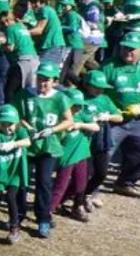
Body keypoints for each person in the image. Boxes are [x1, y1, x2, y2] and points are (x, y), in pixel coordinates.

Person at [10, 62, 73, 238]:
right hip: (28, 144)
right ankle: (18, 214)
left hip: (48, 146)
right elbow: (16, 116)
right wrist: (27, 126)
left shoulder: (60, 98)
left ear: (54, 81)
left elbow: (69, 121)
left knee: (44, 182)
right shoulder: (25, 95)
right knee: (21, 181)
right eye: (40, 79)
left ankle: (43, 218)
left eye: (47, 80)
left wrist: (52, 130)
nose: (42, 83)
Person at [100, 32, 140, 198]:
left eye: (132, 49)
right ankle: (88, 190)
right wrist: (110, 111)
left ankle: (125, 183)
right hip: (113, 121)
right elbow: (96, 93)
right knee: (104, 155)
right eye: (125, 47)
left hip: (137, 121)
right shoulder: (108, 66)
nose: (127, 51)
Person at [0, 104, 30, 244]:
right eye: (4, 124)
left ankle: (14, 227)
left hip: (15, 172)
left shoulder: (20, 132)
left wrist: (13, 144)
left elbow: (27, 142)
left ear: (17, 123)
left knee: (10, 197)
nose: (8, 127)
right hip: (0, 173)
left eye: (11, 124)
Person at [51, 88, 100, 222]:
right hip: (66, 156)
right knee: (60, 184)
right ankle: (48, 210)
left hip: (82, 154)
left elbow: (96, 127)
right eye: (75, 105)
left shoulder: (81, 115)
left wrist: (79, 125)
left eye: (80, 105)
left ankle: (58, 203)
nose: (78, 108)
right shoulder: (59, 116)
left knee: (80, 185)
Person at [80, 70, 123, 209]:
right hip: (84, 141)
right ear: (87, 85)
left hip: (101, 140)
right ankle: (79, 201)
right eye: (95, 86)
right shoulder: (80, 97)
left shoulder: (105, 99)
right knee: (85, 173)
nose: (99, 90)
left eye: (101, 87)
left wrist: (108, 117)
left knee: (101, 173)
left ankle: (87, 193)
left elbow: (119, 117)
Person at [1, 12, 40, 98]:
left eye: (3, 23)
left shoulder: (10, 29)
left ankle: (11, 109)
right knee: (30, 88)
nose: (4, 25)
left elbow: (10, 47)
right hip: (34, 59)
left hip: (23, 60)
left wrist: (1, 46)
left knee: (10, 90)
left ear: (7, 21)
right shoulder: (22, 27)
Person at [29, 0, 67, 70]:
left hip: (53, 46)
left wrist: (21, 33)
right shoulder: (47, 10)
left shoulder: (45, 10)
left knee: (47, 72)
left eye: (33, 2)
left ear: (40, 2)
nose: (32, 5)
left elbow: (39, 30)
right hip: (51, 46)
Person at [59, 0, 85, 86]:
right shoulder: (66, 15)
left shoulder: (72, 14)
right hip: (70, 45)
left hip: (74, 45)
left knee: (65, 69)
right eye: (62, 5)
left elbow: (73, 28)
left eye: (65, 5)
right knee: (66, 69)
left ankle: (81, 84)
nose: (63, 7)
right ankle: (80, 84)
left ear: (71, 6)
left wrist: (59, 27)